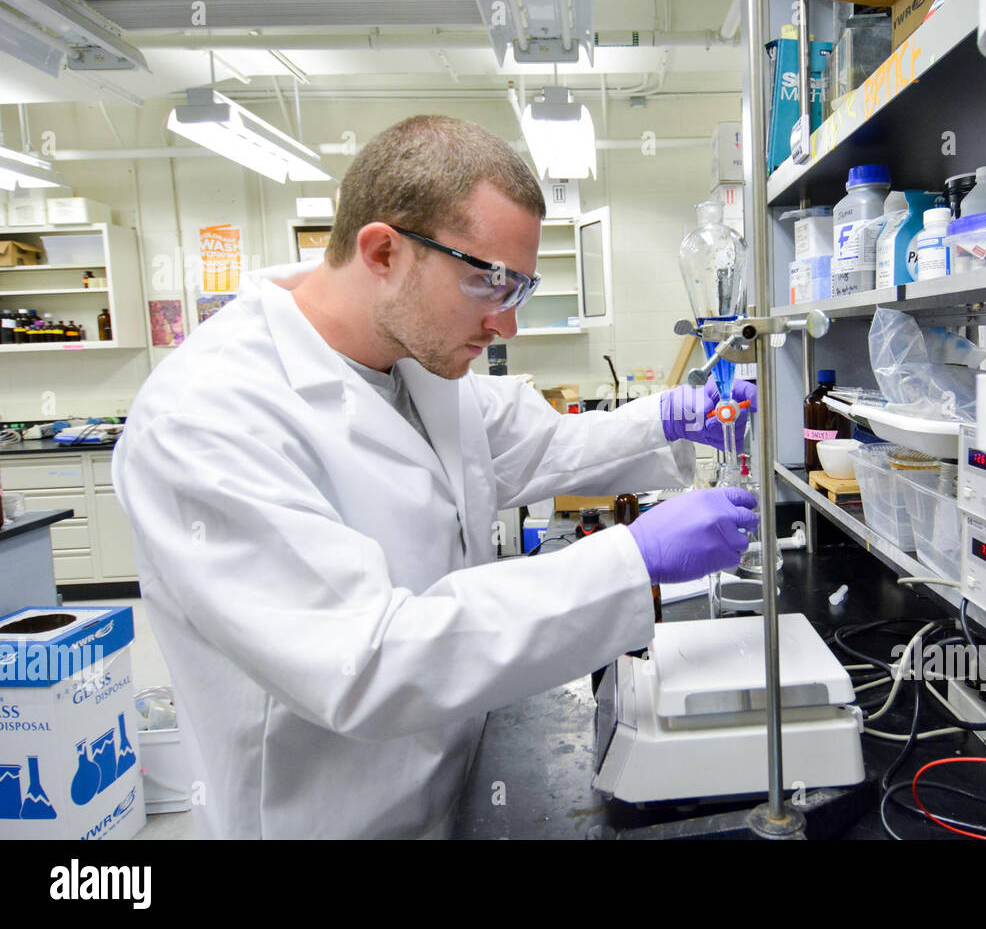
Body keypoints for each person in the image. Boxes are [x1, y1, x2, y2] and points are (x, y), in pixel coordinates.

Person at [111, 115, 760, 838]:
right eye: (489, 282)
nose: (507, 325)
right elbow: (366, 660)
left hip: (448, 777)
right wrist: (628, 561)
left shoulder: (413, 362)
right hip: (332, 818)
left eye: (520, 287)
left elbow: (532, 449)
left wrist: (670, 416)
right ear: (384, 251)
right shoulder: (208, 417)